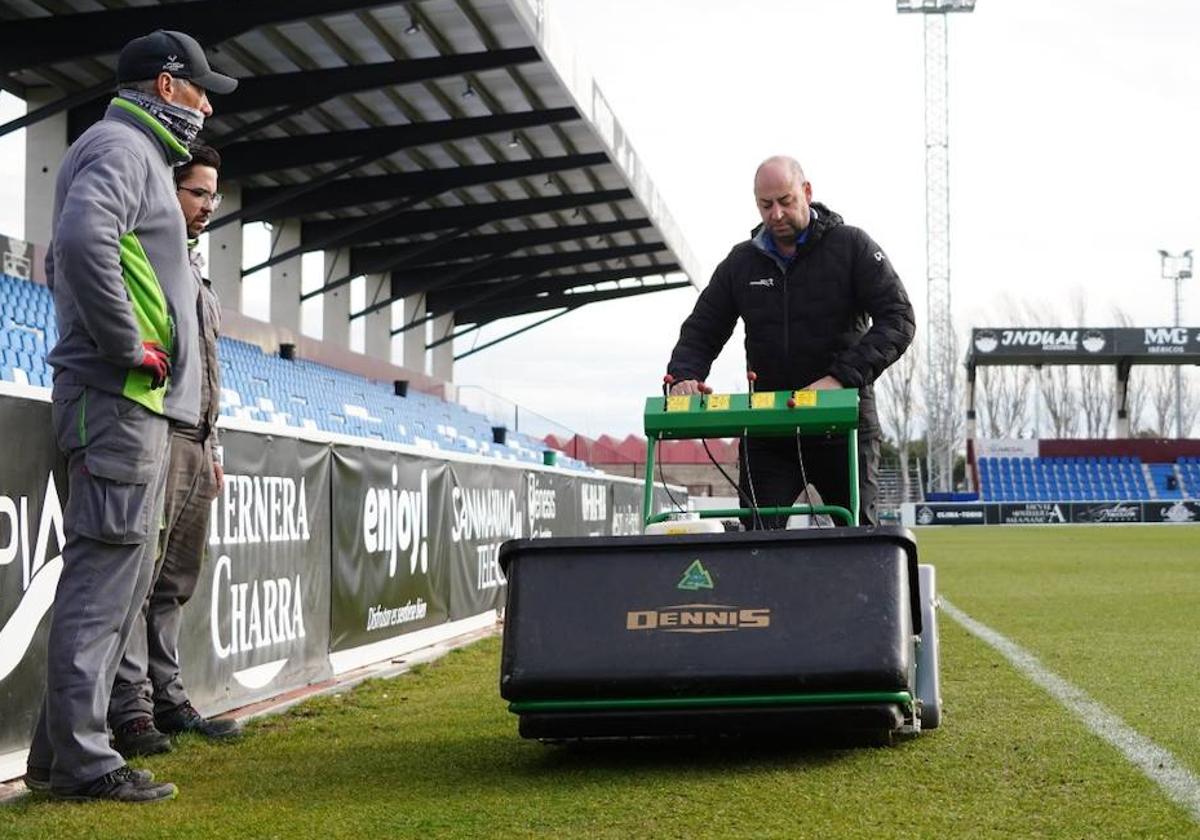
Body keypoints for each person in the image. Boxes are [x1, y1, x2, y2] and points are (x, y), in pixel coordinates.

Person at [26, 31, 236, 803]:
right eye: (202, 89)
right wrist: (127, 346)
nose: (208, 104)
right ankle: (84, 760)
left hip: (136, 407)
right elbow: (80, 241)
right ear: (168, 85)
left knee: (113, 585)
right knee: (103, 582)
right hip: (119, 401)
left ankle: (58, 756)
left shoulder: (137, 154)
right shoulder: (121, 146)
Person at [666, 156, 915, 528]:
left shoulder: (852, 247)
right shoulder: (741, 263)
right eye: (766, 205)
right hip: (769, 428)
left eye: (785, 200)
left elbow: (899, 319)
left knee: (859, 541)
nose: (777, 214)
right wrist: (684, 375)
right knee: (757, 544)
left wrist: (840, 378)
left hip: (844, 426)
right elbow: (702, 329)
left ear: (808, 192)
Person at [108, 143, 241, 758]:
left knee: (175, 582)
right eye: (198, 192)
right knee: (139, 578)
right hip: (157, 432)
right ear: (169, 192)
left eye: (214, 194)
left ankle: (167, 696)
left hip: (196, 441)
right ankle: (130, 710)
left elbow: (209, 371)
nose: (208, 205)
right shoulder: (149, 261)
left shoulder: (197, 273)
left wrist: (214, 445)